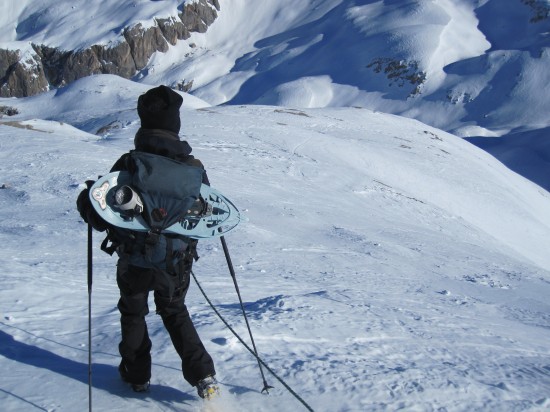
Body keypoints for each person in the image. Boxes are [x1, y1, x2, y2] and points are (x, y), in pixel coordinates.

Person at [76, 85, 219, 399]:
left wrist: (88, 198)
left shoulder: (129, 164)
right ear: (175, 125)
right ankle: (203, 377)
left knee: (133, 314)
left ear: (144, 122)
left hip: (134, 259)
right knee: (175, 312)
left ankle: (137, 376)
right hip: (175, 263)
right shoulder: (194, 169)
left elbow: (102, 216)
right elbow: (206, 216)